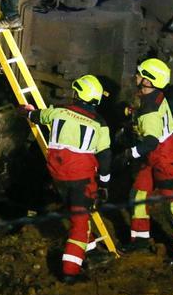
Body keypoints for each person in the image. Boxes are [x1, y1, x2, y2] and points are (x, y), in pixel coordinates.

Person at [20, 74, 113, 284]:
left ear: (77, 94)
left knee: (76, 213)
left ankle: (89, 251)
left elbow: (36, 116)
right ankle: (70, 271)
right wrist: (105, 183)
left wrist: (26, 111)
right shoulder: (100, 124)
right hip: (82, 179)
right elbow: (105, 155)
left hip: (58, 177)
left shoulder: (59, 112)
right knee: (80, 222)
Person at [126, 58, 173, 263]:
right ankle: (140, 239)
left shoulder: (150, 113)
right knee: (138, 194)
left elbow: (150, 141)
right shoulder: (154, 96)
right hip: (157, 154)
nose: (136, 76)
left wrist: (129, 154)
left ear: (148, 81)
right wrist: (131, 113)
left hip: (163, 157)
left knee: (170, 202)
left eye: (140, 74)